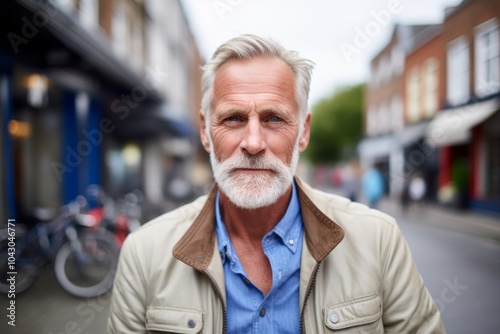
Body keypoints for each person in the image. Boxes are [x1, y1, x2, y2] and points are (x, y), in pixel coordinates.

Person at [107, 34, 444, 333]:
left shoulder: (379, 241)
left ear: (304, 132)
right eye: (233, 118)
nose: (253, 142)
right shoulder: (143, 255)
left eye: (274, 118)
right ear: (205, 132)